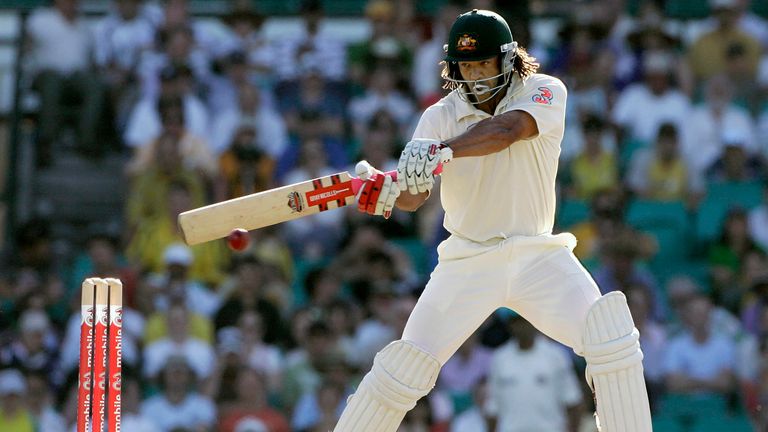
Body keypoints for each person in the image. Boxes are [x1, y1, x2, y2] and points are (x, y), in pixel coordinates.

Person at [335, 9, 652, 431]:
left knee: (612, 341)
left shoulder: (544, 90)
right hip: (467, 260)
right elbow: (415, 196)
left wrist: (442, 150)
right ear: (454, 68)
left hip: (539, 256)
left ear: (509, 59)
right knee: (400, 371)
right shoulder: (438, 116)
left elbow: (508, 130)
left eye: (485, 63)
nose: (477, 74)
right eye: (467, 66)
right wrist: (386, 194)